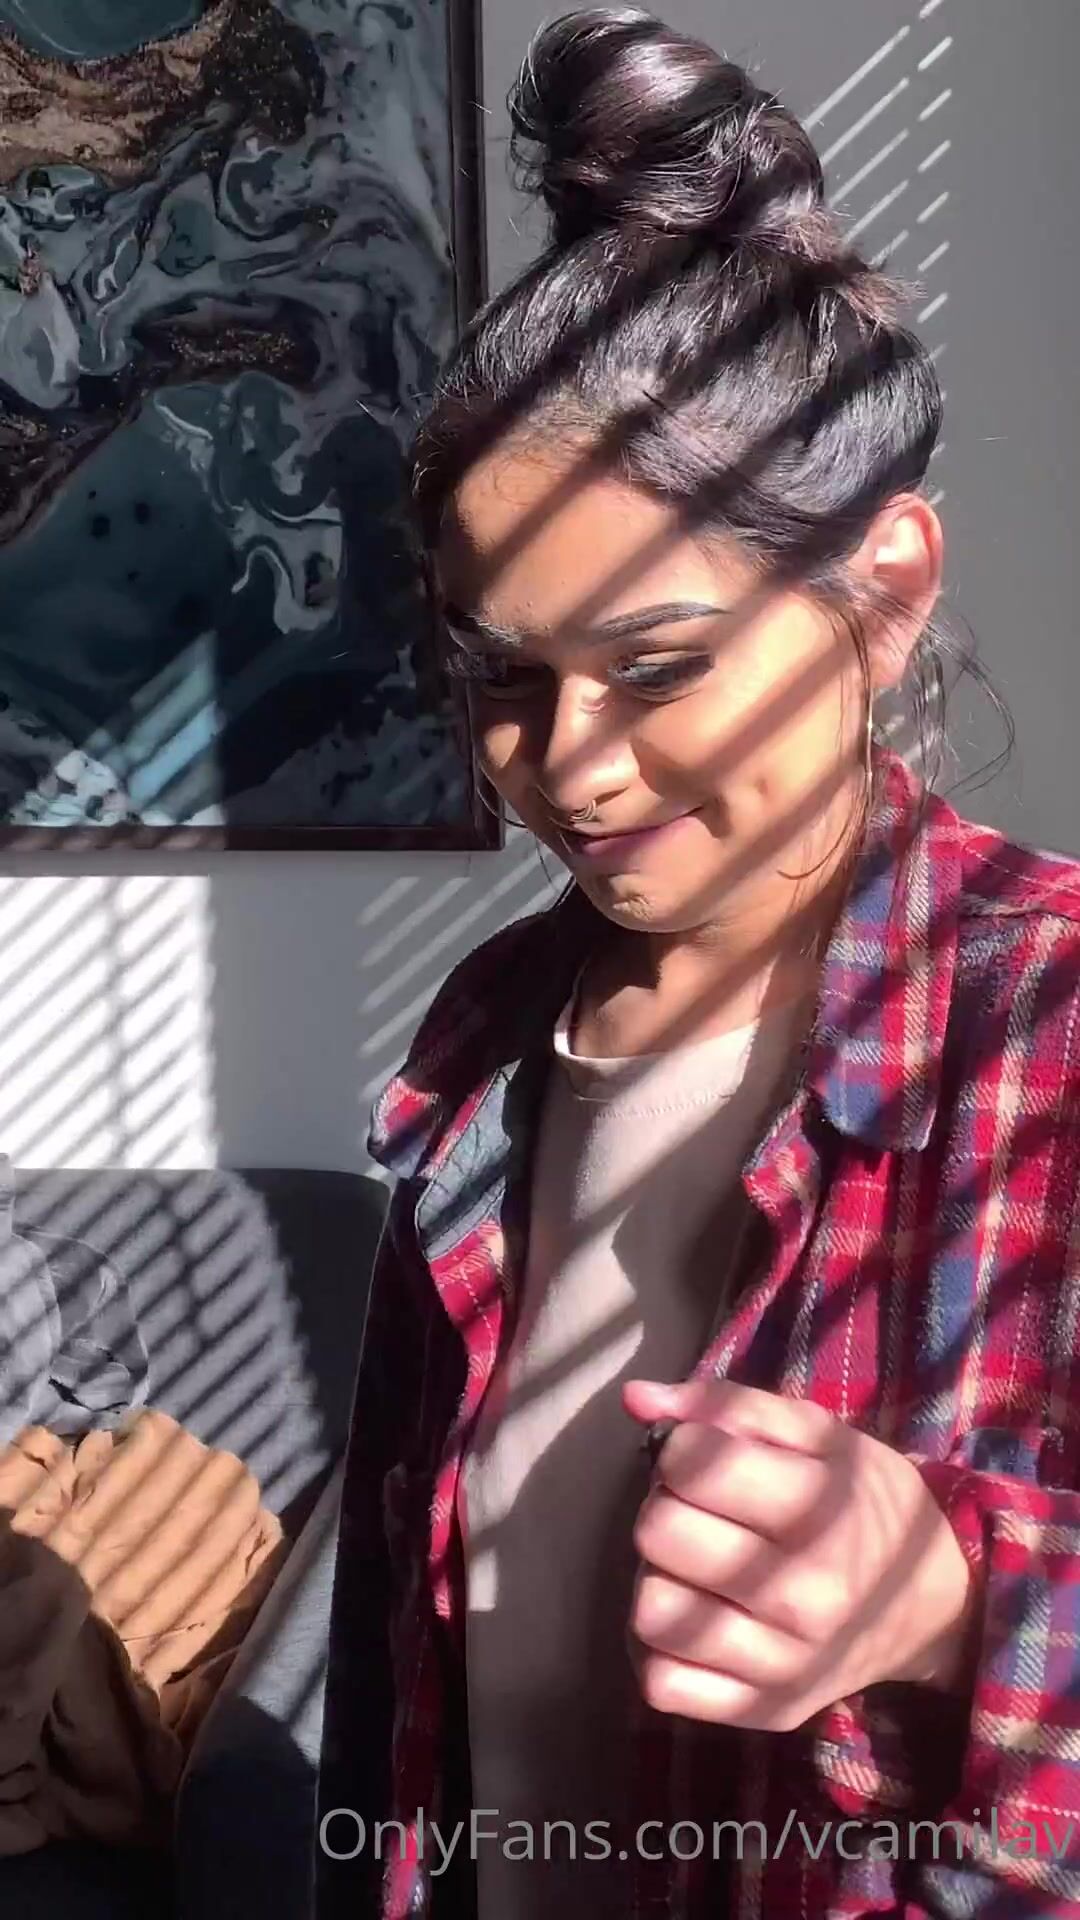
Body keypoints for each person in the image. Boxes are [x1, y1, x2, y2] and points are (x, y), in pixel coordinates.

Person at [317, 10, 1080, 1916]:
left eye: (654, 667)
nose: (566, 767)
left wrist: (954, 1597)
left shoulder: (1051, 1029)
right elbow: (399, 1697)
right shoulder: (490, 1040)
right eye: (503, 676)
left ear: (882, 592)